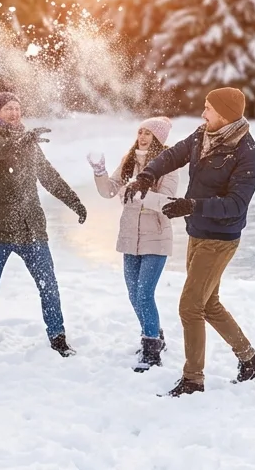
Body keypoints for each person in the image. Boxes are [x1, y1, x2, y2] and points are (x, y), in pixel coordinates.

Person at [124, 87, 255, 397]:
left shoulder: (247, 153)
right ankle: (251, 360)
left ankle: (193, 380)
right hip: (198, 231)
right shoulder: (204, 134)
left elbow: (235, 205)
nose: (203, 114)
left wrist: (191, 205)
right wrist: (147, 174)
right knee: (208, 303)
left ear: (225, 114)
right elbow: (174, 154)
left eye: (208, 108)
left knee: (190, 307)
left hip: (220, 238)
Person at [0, 92, 86, 357]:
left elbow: (48, 176)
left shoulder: (28, 141)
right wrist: (23, 141)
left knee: (49, 285)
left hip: (31, 227)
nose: (14, 113)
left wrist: (74, 202)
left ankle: (58, 337)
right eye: (9, 108)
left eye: (18, 108)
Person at [90, 116, 179, 372]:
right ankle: (154, 334)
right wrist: (100, 171)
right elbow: (109, 191)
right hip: (130, 238)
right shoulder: (129, 161)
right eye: (140, 131)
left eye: (148, 133)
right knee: (133, 294)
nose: (142, 137)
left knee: (144, 293)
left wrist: (139, 193)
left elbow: (168, 201)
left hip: (156, 238)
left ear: (158, 138)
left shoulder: (169, 165)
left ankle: (151, 350)